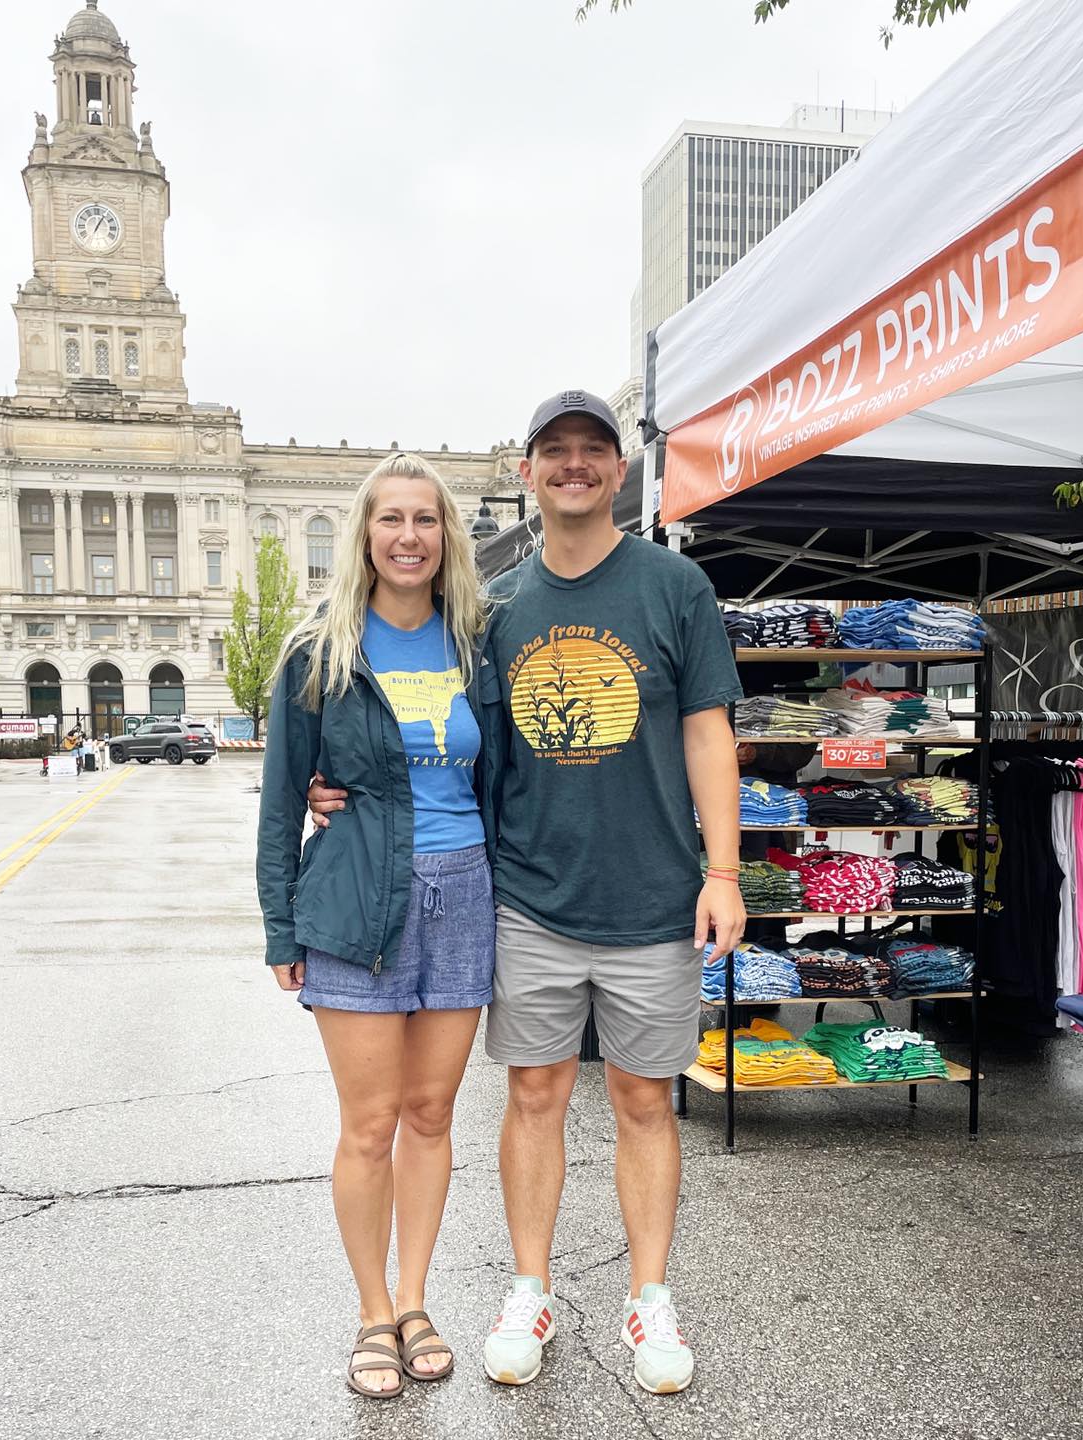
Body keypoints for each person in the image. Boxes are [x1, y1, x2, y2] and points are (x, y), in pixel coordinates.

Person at [309, 390, 745, 1395]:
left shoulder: (675, 588)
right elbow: (441, 742)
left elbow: (708, 733)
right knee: (534, 1093)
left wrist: (723, 871)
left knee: (643, 1099)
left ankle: (649, 1297)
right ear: (529, 472)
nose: (577, 466)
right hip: (529, 896)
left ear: (620, 471)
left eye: (596, 450)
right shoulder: (492, 612)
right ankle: (530, 1286)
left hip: (655, 897)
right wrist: (346, 791)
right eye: (558, 452)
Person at [256, 452, 500, 1399]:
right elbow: (283, 801)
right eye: (391, 519)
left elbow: (503, 777)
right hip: (358, 895)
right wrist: (282, 927)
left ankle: (414, 1298)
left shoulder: (475, 645)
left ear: (447, 539)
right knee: (369, 1124)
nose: (409, 536)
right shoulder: (320, 652)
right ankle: (368, 1312)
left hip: (464, 893)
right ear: (365, 534)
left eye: (426, 520)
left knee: (432, 1115)